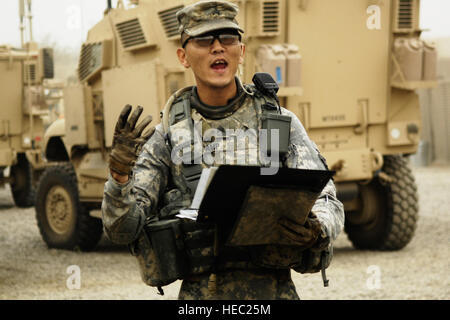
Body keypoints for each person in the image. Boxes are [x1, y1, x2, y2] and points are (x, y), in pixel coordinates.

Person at [102, 0, 344, 300]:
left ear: (241, 51)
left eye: (228, 38)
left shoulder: (278, 123)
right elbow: (122, 230)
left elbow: (328, 199)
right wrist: (119, 177)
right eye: (204, 40)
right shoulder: (169, 136)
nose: (217, 47)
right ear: (183, 56)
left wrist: (317, 228)